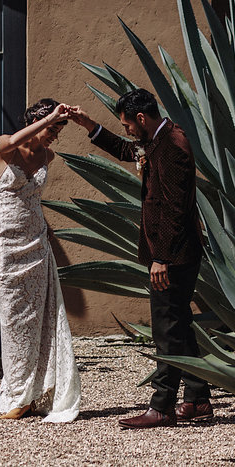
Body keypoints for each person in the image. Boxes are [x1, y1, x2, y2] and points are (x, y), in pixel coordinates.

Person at [69, 88, 212, 428]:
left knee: (165, 328)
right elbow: (124, 149)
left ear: (142, 119)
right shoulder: (157, 139)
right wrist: (87, 124)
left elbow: (176, 211)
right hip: (172, 253)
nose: (127, 130)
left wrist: (161, 258)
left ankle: (162, 406)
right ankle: (197, 400)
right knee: (178, 325)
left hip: (173, 256)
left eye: (128, 125)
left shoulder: (172, 146)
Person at [0, 98, 81, 422]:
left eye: (58, 129)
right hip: (3, 243)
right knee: (13, 320)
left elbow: (34, 199)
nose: (54, 135)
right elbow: (12, 141)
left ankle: (32, 394)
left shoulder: (47, 156)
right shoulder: (5, 146)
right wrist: (50, 117)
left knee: (38, 319)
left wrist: (48, 233)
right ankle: (15, 394)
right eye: (52, 128)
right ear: (38, 121)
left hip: (36, 242)